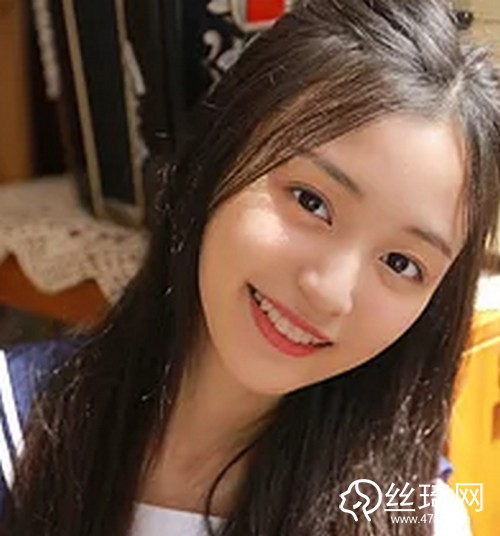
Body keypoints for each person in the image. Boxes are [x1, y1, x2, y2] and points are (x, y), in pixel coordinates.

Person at [1, 0, 499, 534]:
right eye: (311, 202)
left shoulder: (413, 517)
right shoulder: (17, 430)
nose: (330, 292)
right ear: (220, 156)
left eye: (401, 263)